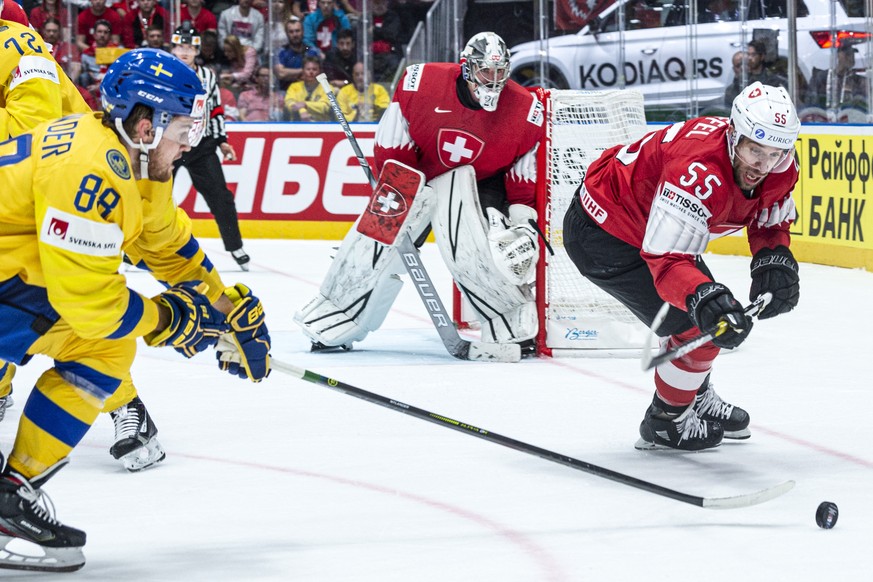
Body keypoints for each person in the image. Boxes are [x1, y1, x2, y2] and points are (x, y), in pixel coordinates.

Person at [0, 47, 271, 572]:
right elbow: (90, 304)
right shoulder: (91, 170)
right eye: (184, 130)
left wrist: (224, 310)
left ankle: (11, 498)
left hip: (11, 280)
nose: (189, 144)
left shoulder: (132, 160)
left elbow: (166, 245)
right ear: (145, 123)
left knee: (103, 349)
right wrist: (171, 320)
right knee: (104, 341)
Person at [563, 82, 800, 451]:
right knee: (697, 325)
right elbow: (667, 260)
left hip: (649, 227)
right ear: (734, 134)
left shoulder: (782, 165)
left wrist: (774, 260)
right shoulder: (697, 171)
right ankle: (665, 419)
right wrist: (703, 298)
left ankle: (693, 396)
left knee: (708, 318)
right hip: (604, 233)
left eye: (775, 153)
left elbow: (769, 219)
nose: (763, 165)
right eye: (755, 150)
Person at [294, 32, 544, 353]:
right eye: (485, 72)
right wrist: (399, 194)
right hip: (418, 174)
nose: (494, 81)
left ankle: (512, 321)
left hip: (481, 182)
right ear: (467, 68)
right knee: (376, 240)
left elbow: (522, 169)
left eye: (500, 72)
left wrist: (521, 219)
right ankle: (337, 314)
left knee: (476, 247)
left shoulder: (525, 109)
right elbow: (393, 141)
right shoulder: (421, 83)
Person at [172, 26, 251, 269]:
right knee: (152, 199)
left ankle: (235, 246)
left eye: (189, 47)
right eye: (180, 46)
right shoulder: (163, 72)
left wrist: (222, 141)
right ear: (174, 48)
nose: (184, 51)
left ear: (196, 50)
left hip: (201, 146)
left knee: (221, 197)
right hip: (168, 146)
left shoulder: (207, 76)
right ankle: (133, 251)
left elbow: (215, 110)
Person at [804, 44, 868, 114]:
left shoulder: (859, 81)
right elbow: (811, 103)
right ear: (837, 56)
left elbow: (865, 103)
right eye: (847, 54)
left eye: (852, 54)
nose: (851, 57)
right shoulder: (821, 78)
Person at [723, 39, 786, 105]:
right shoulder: (744, 77)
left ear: (762, 56)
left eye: (753, 55)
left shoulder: (772, 79)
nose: (749, 58)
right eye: (748, 54)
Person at [273, 14, 319, 91]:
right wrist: (305, 71)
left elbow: (318, 73)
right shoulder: (280, 51)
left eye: (297, 31)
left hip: (310, 90)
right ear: (286, 33)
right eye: (291, 32)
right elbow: (281, 73)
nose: (295, 34)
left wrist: (290, 73)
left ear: (303, 32)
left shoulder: (312, 50)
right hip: (285, 91)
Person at [283, 55, 330, 120]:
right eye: (308, 69)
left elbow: (326, 106)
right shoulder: (294, 87)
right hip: (297, 125)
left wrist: (305, 104)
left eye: (314, 69)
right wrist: (302, 111)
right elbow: (289, 103)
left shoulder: (327, 87)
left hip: (321, 126)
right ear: (303, 71)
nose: (311, 72)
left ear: (319, 71)